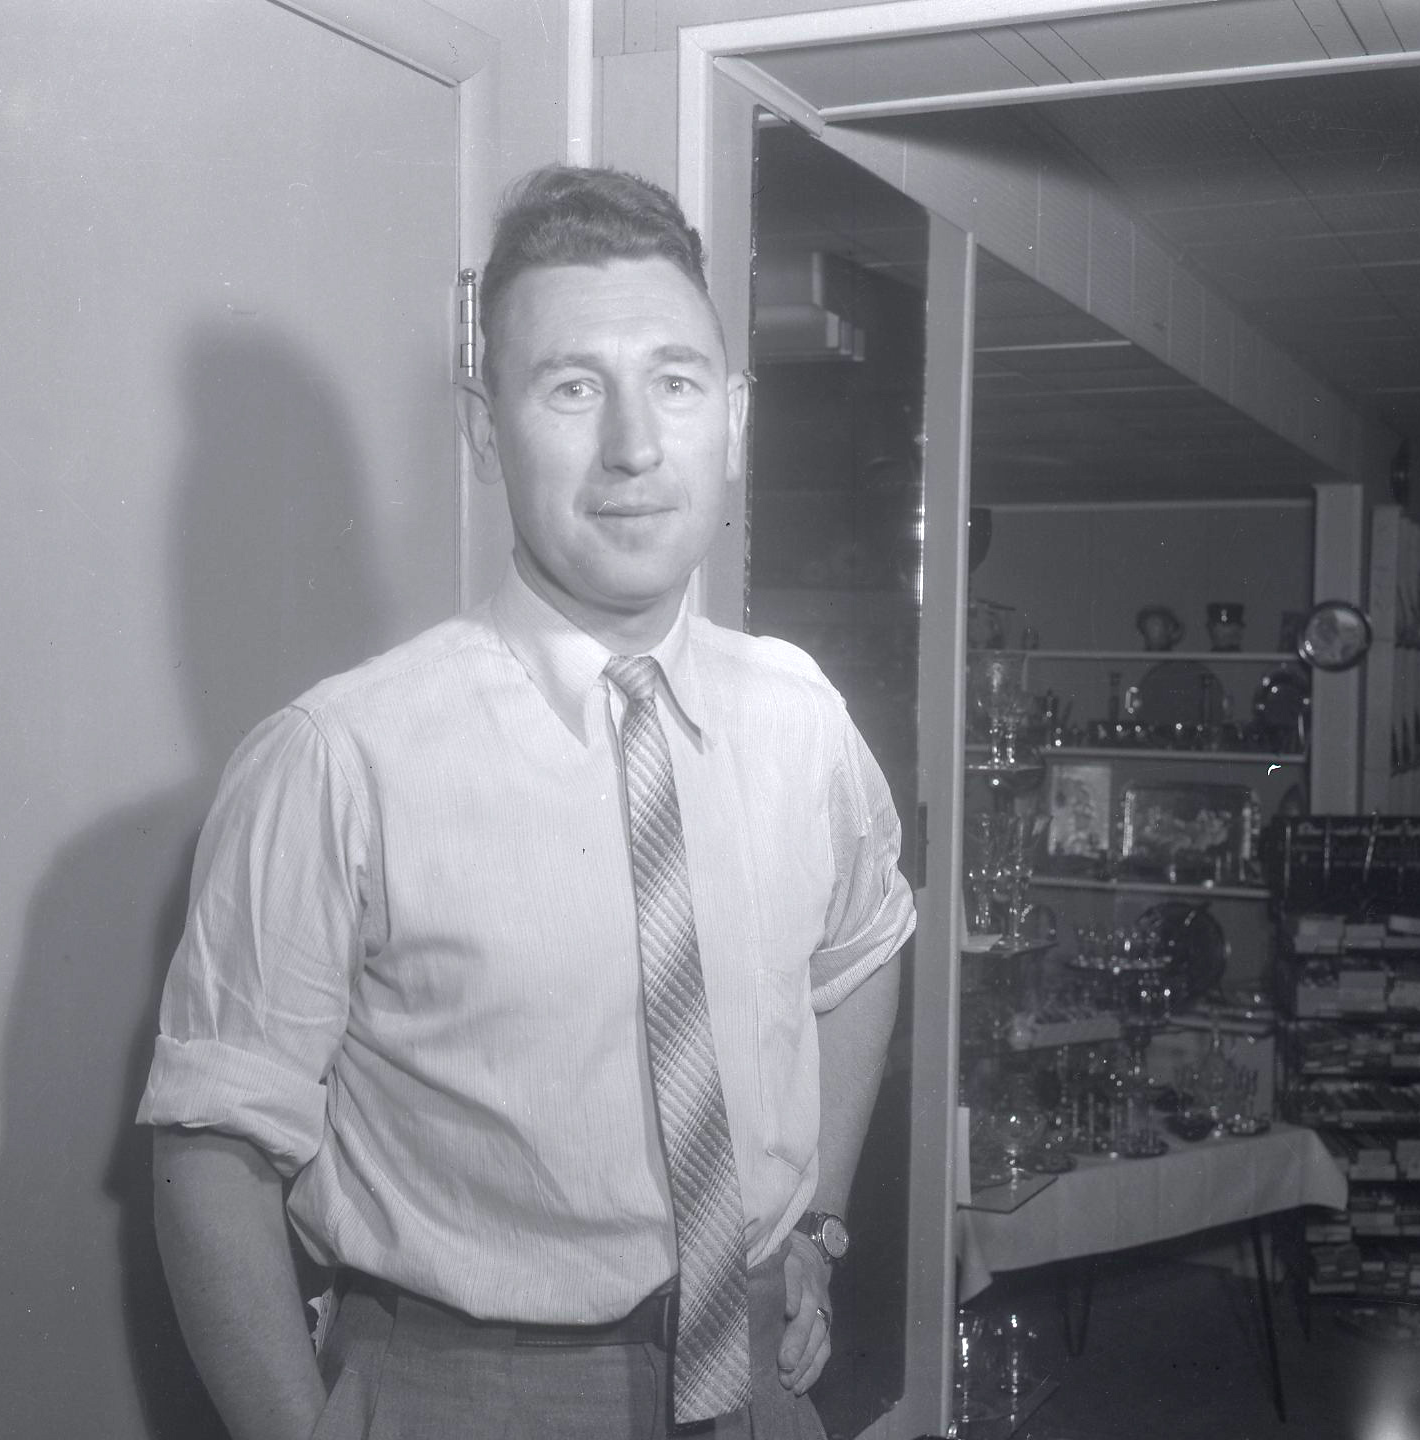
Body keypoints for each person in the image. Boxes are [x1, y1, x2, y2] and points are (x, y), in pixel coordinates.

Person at [139, 165, 913, 1440]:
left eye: (672, 382)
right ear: (487, 431)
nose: (631, 446)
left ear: (730, 417)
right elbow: (208, 1158)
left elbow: (868, 943)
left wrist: (814, 1222)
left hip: (763, 1388)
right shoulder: (338, 758)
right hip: (471, 1393)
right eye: (570, 387)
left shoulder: (799, 718)